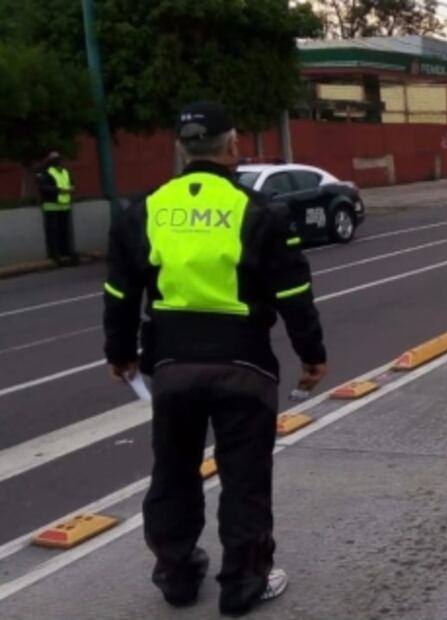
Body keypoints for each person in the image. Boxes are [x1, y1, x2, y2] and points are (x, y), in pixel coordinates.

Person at [102, 101, 327, 616]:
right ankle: (242, 585)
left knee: (174, 473)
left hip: (172, 367)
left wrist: (120, 354)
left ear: (181, 150)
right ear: (233, 146)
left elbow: (119, 293)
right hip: (244, 366)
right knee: (245, 478)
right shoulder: (262, 211)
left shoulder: (144, 209)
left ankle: (177, 576)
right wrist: (312, 356)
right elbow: (295, 294)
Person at [36, 151, 79, 265]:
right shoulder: (46, 172)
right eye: (56, 160)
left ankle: (65, 251)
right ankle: (54, 254)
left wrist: (71, 188)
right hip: (51, 206)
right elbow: (43, 187)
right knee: (53, 231)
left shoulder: (65, 172)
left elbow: (72, 183)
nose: (59, 162)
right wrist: (60, 190)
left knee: (64, 230)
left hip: (64, 205)